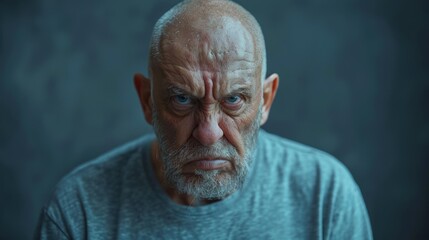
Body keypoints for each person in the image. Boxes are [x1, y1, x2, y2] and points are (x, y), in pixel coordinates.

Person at [35, 0, 373, 239]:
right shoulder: (78, 212)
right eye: (182, 99)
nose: (209, 133)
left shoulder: (325, 198)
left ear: (266, 99)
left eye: (233, 100)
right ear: (147, 100)